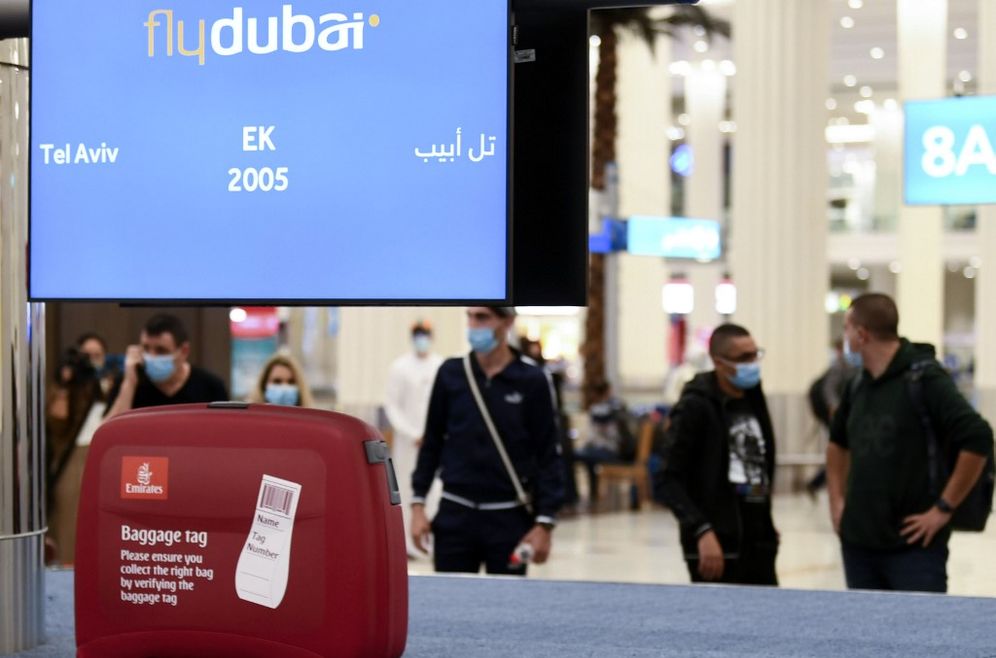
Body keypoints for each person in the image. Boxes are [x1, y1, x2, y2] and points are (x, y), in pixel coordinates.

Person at [826, 293, 993, 593]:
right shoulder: (857, 384)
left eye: (847, 328)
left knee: (920, 635)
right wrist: (836, 502)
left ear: (861, 334)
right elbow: (837, 443)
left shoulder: (925, 379)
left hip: (914, 548)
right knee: (865, 636)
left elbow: (978, 437)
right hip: (859, 545)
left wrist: (943, 507)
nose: (845, 336)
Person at [410, 306, 564, 575]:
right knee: (451, 608)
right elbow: (432, 442)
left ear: (507, 322)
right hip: (455, 514)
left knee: (506, 610)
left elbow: (548, 454)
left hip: (509, 517)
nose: (473, 325)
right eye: (469, 317)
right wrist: (418, 505)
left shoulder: (532, 381)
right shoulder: (451, 373)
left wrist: (545, 523)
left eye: (482, 317)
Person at [654, 323, 779, 586]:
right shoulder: (694, 406)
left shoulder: (754, 396)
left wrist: (766, 521)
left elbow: (761, 464)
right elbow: (667, 478)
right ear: (718, 362)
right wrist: (701, 530)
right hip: (716, 547)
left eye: (755, 354)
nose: (753, 363)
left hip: (759, 545)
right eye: (744, 358)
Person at [384, 321, 444, 558]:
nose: (422, 339)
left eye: (426, 334)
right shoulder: (399, 367)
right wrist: (412, 434)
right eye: (418, 335)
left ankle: (433, 542)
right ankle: (408, 544)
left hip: (435, 442)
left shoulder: (440, 366)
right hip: (408, 445)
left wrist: (433, 434)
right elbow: (392, 405)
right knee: (409, 490)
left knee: (435, 493)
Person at [45, 348, 106, 565]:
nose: (62, 397)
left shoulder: (96, 413)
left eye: (68, 389)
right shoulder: (48, 426)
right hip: (54, 498)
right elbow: (58, 416)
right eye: (60, 389)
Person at [105, 313, 228, 419]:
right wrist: (129, 383)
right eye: (146, 348)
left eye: (161, 350)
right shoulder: (128, 382)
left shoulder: (211, 387)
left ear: (184, 351)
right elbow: (105, 435)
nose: (151, 357)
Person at [805, 338, 858, 497]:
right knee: (842, 452)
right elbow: (829, 389)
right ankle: (817, 483)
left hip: (847, 416)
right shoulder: (841, 365)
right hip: (841, 418)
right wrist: (834, 409)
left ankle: (816, 483)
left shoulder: (851, 365)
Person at [575, 380, 634, 506]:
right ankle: (593, 493)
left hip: (612, 451)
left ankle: (591, 494)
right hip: (619, 450)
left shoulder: (601, 410)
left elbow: (596, 436)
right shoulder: (618, 406)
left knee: (580, 455)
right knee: (587, 456)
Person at [248, 353, 316, 407]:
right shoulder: (249, 422)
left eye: (291, 382)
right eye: (277, 381)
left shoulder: (312, 422)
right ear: (263, 385)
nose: (284, 387)